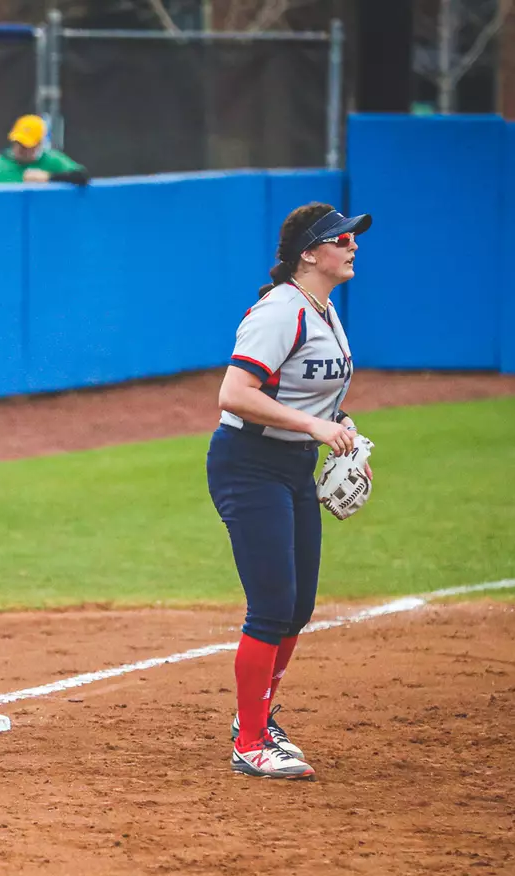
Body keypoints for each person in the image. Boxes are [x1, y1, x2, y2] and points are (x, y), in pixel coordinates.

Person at [207, 202, 373, 780]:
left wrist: (342, 428)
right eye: (342, 239)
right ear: (310, 252)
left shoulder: (323, 309)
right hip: (248, 464)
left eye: (353, 239)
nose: (353, 246)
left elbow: (310, 395)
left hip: (293, 466)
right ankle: (249, 743)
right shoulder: (280, 311)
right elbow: (234, 392)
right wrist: (314, 427)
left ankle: (256, 716)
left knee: (298, 608)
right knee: (272, 605)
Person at [0, 114, 89, 186]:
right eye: (18, 143)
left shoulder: (52, 160)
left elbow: (82, 176)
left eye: (27, 145)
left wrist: (48, 177)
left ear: (39, 144)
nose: (21, 149)